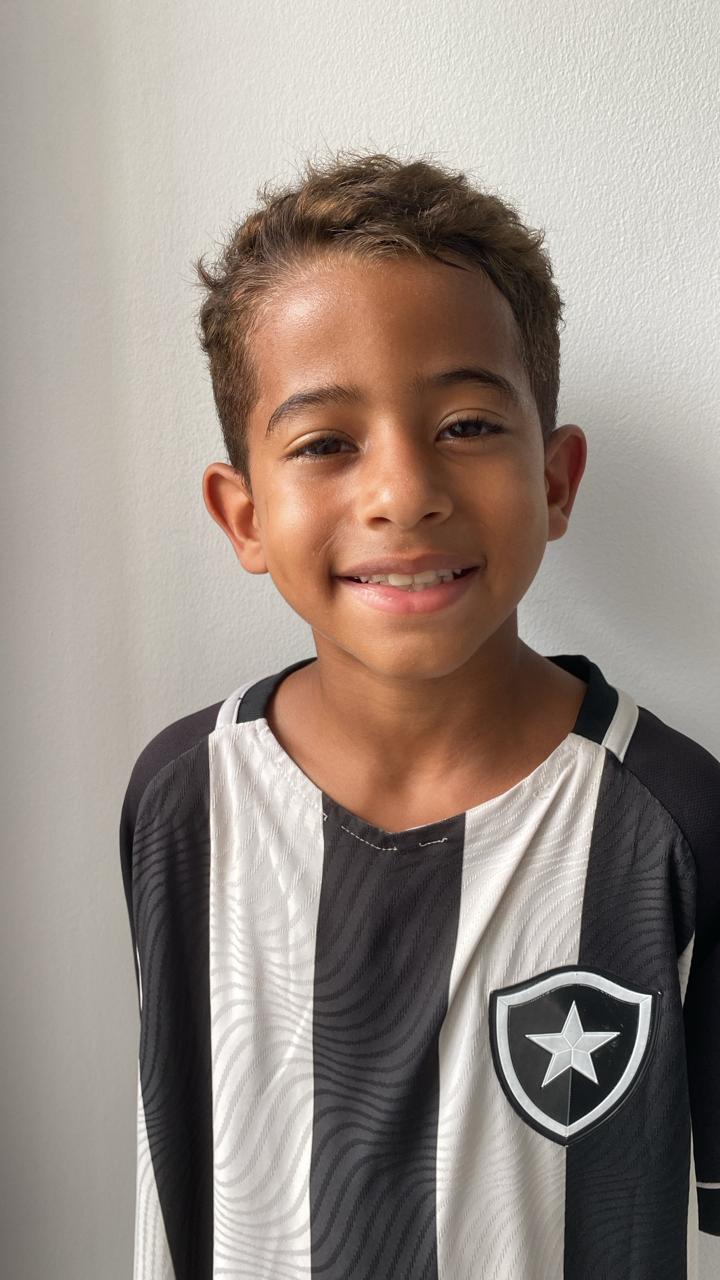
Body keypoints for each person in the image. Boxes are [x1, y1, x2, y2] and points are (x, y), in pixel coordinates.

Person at [119, 150, 720, 1280]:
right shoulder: (183, 800)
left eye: (468, 426)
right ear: (244, 517)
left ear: (555, 480)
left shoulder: (677, 820)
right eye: (326, 443)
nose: (403, 493)